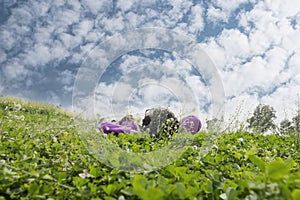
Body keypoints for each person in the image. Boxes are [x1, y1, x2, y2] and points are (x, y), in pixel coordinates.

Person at [98, 107, 201, 136]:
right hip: (144, 131)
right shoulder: (174, 131)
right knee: (128, 121)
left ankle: (130, 127)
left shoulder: (137, 126)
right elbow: (195, 120)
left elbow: (104, 126)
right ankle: (130, 128)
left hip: (141, 131)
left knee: (127, 120)